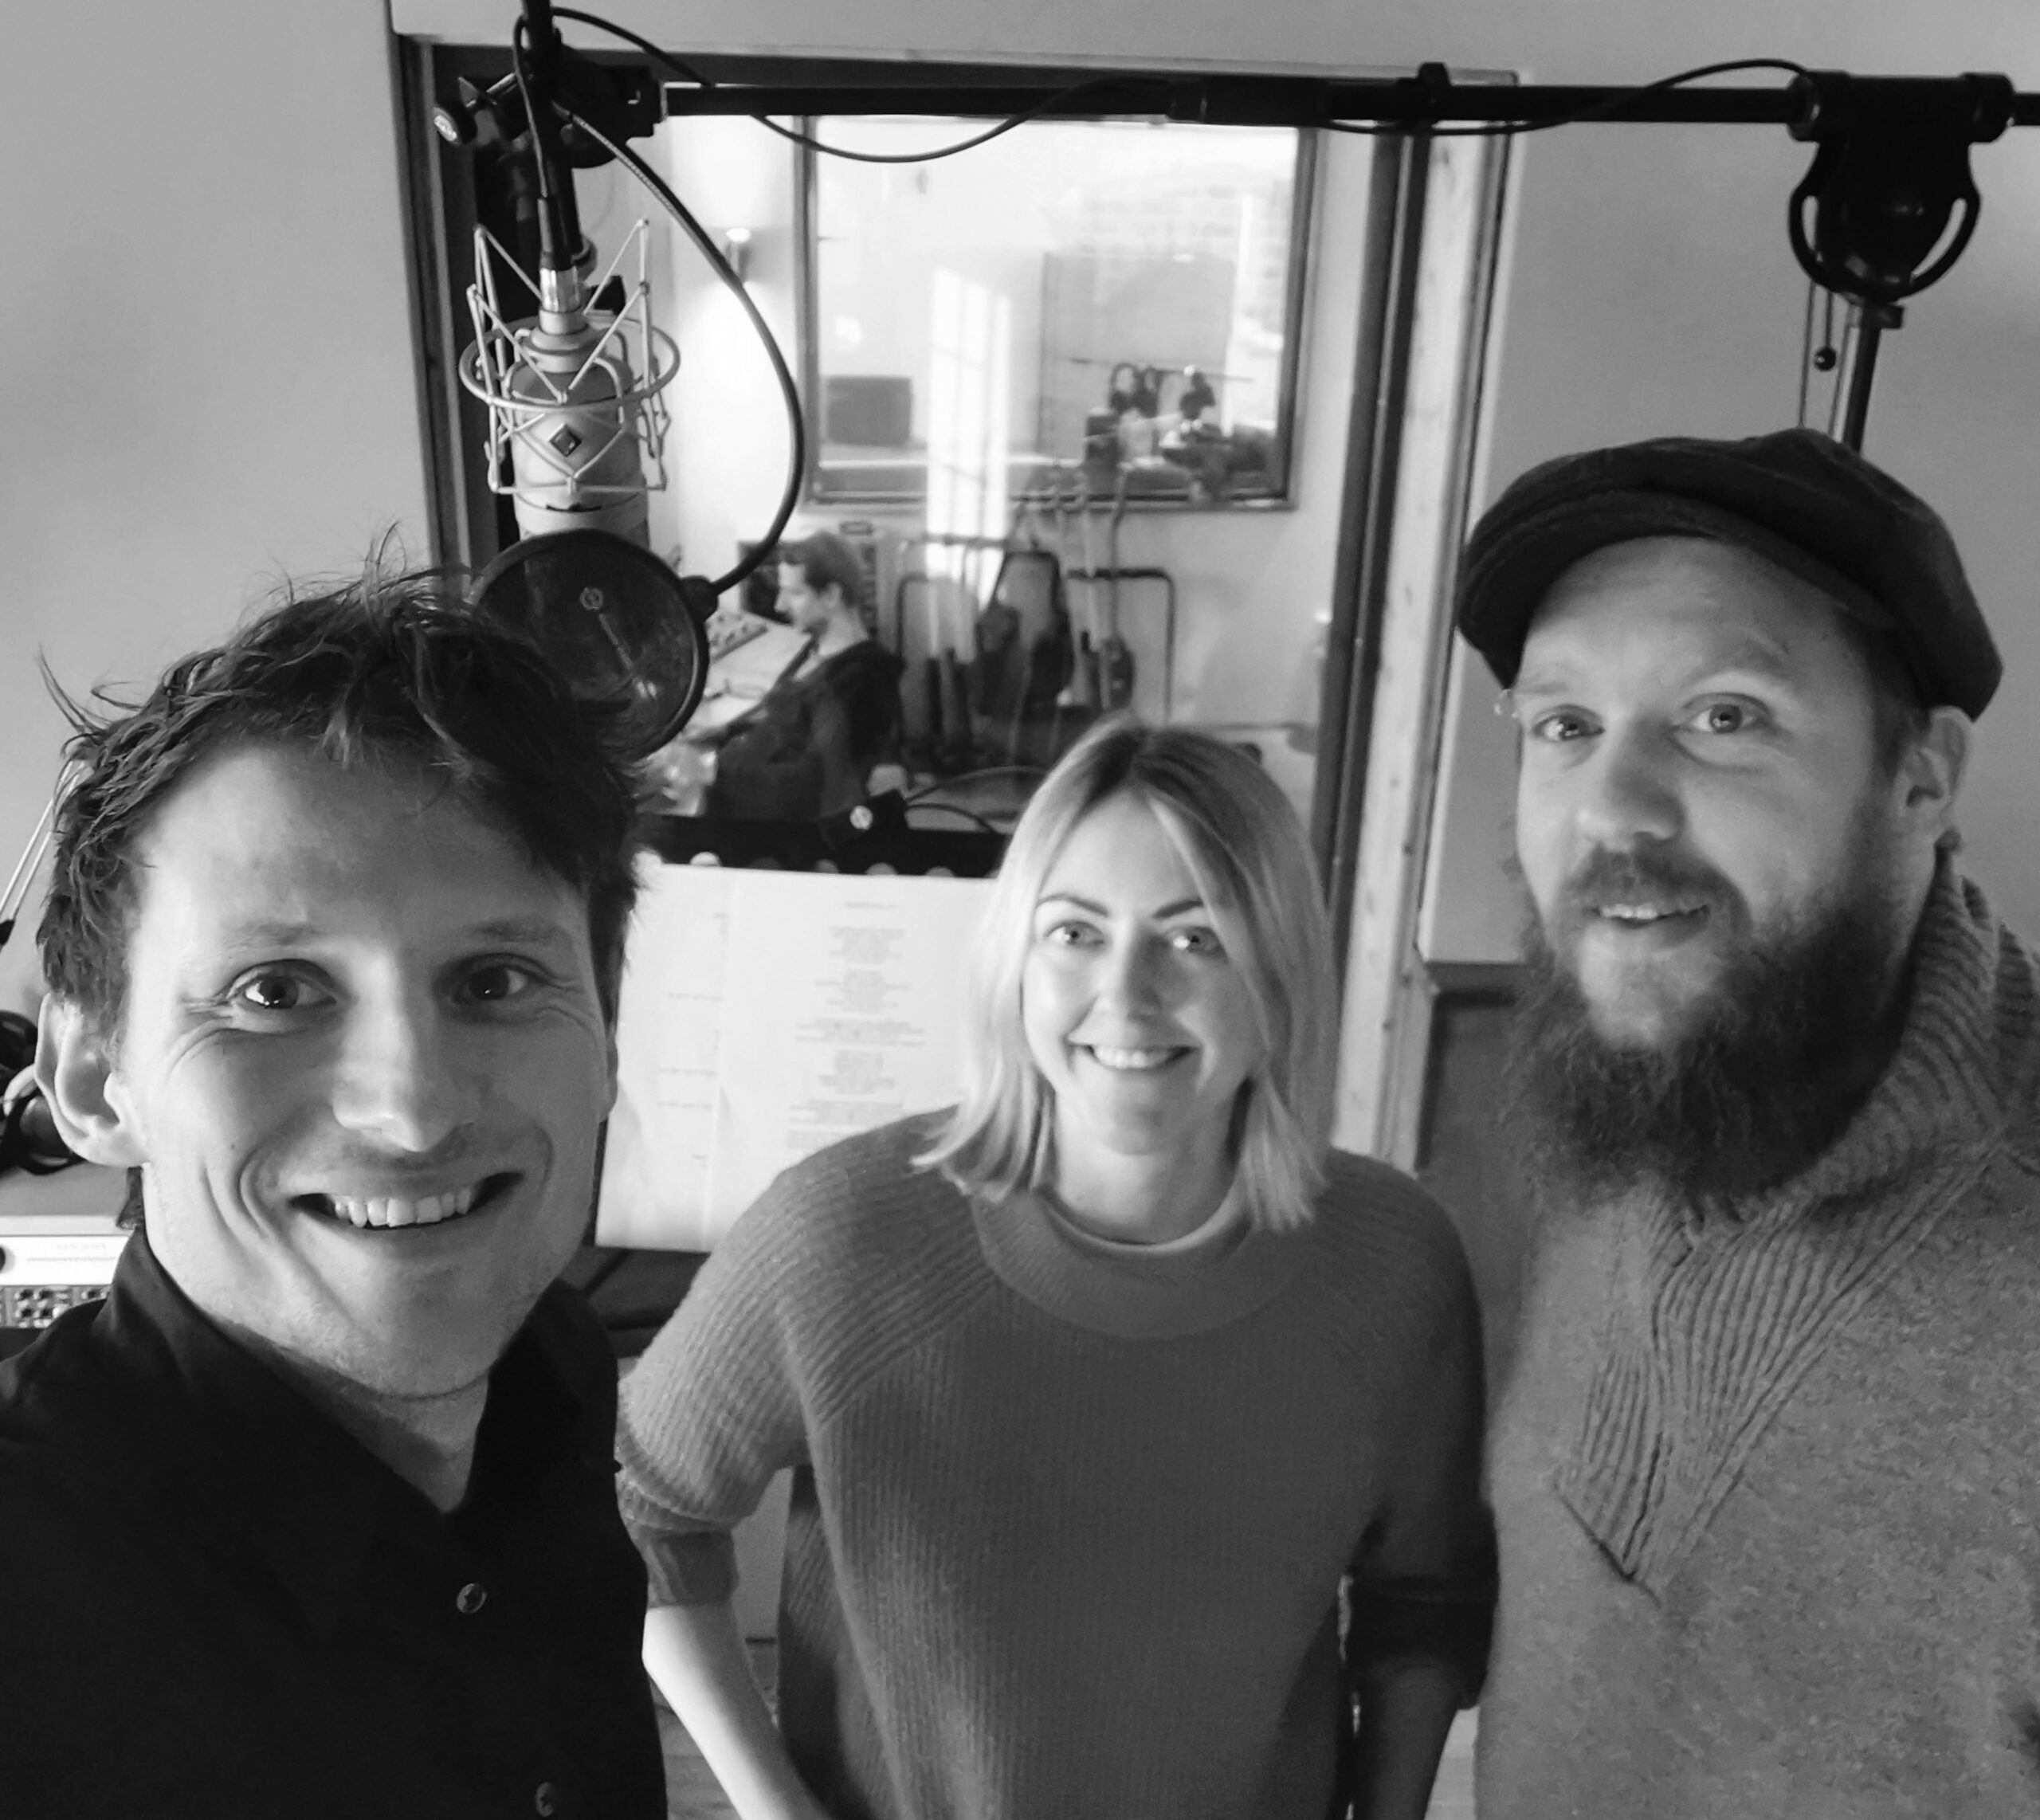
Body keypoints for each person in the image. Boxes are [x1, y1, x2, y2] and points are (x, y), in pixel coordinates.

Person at [618, 717, 1497, 1820]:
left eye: (1196, 937)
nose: (1125, 995)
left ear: (1280, 970)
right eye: (1075, 931)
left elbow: (1424, 1604)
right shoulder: (840, 1235)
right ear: (1015, 962)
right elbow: (641, 1513)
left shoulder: (1394, 1264)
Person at [3, 570, 668, 1818]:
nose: (412, 1111)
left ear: (608, 1043)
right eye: (275, 992)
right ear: (92, 1081)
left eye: (493, 981)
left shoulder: (553, 1372)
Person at [1456, 427, 2038, 1816]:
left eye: (1725, 716)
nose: (1613, 810)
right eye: (1565, 725)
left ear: (1922, 774)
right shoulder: (1642, 1076)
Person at [700, 530, 904, 821]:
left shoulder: (861, 682)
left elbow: (809, 788)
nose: (779, 605)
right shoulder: (816, 649)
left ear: (831, 595)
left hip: (784, 827)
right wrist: (722, 739)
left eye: (794, 593)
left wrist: (710, 771)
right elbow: (784, 725)